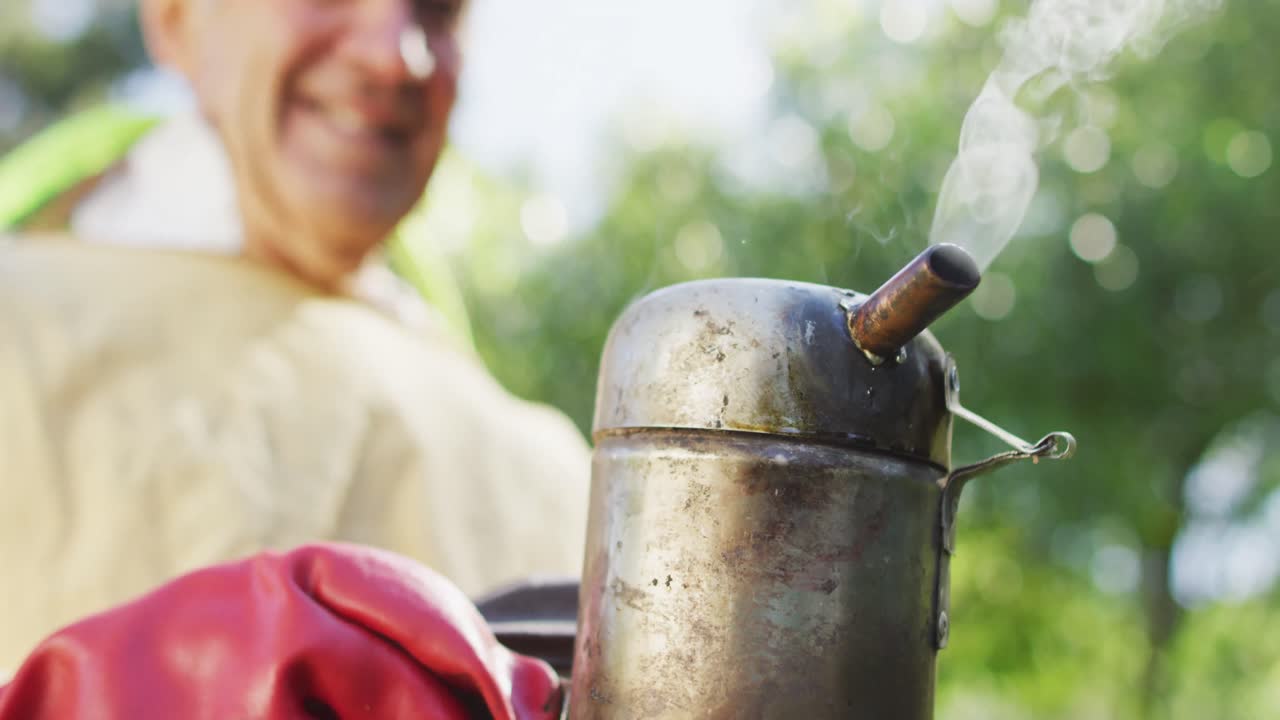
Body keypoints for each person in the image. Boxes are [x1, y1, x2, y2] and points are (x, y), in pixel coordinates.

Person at [0, 0, 590, 671]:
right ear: (174, 19)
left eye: (440, 7)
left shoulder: (562, 482)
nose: (397, 55)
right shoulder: (18, 331)